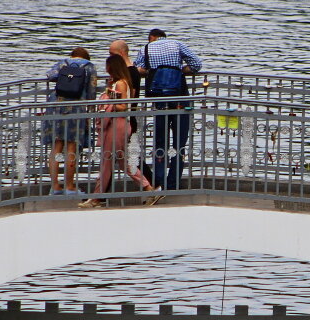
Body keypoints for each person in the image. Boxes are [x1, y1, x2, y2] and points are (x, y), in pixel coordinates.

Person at [80, 55, 155, 208]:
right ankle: (149, 189)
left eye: (108, 67)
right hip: (117, 125)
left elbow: (123, 106)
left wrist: (108, 102)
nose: (106, 70)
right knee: (122, 161)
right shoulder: (119, 83)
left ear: (112, 67)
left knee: (108, 162)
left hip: (117, 125)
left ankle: (96, 198)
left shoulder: (121, 84)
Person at [134, 29, 202, 191]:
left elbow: (138, 69)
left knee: (160, 142)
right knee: (179, 143)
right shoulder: (177, 44)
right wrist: (179, 70)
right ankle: (173, 183)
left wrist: (152, 71)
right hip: (180, 98)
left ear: (152, 38)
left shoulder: (146, 48)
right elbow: (196, 64)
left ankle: (158, 182)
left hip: (159, 100)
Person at [43, 47, 97, 196]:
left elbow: (50, 75)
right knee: (72, 147)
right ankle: (70, 187)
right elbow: (92, 91)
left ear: (72, 55)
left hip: (55, 107)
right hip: (75, 108)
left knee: (56, 147)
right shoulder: (89, 66)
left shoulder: (63, 63)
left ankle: (55, 187)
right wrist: (90, 111)